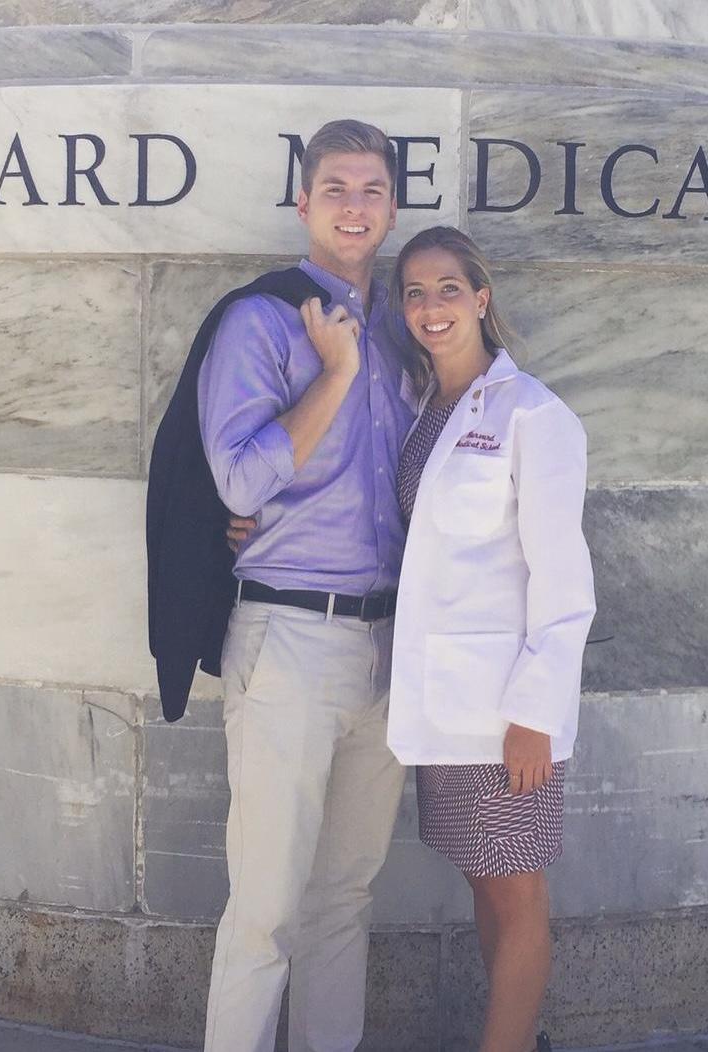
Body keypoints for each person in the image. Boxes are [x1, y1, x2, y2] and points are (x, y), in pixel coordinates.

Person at [196, 120, 416, 1052]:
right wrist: (335, 373)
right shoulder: (261, 320)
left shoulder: (413, 330)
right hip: (289, 638)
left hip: (389, 647)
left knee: (343, 902)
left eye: (371, 189)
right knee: (266, 912)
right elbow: (239, 482)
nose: (355, 206)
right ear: (304, 203)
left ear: (393, 206)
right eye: (336, 188)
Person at [370, 225, 594, 1052]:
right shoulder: (424, 410)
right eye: (416, 293)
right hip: (444, 708)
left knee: (516, 894)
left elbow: (565, 582)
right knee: (485, 882)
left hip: (507, 716)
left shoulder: (533, 414)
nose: (432, 308)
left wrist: (536, 711)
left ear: (482, 298)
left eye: (449, 289)